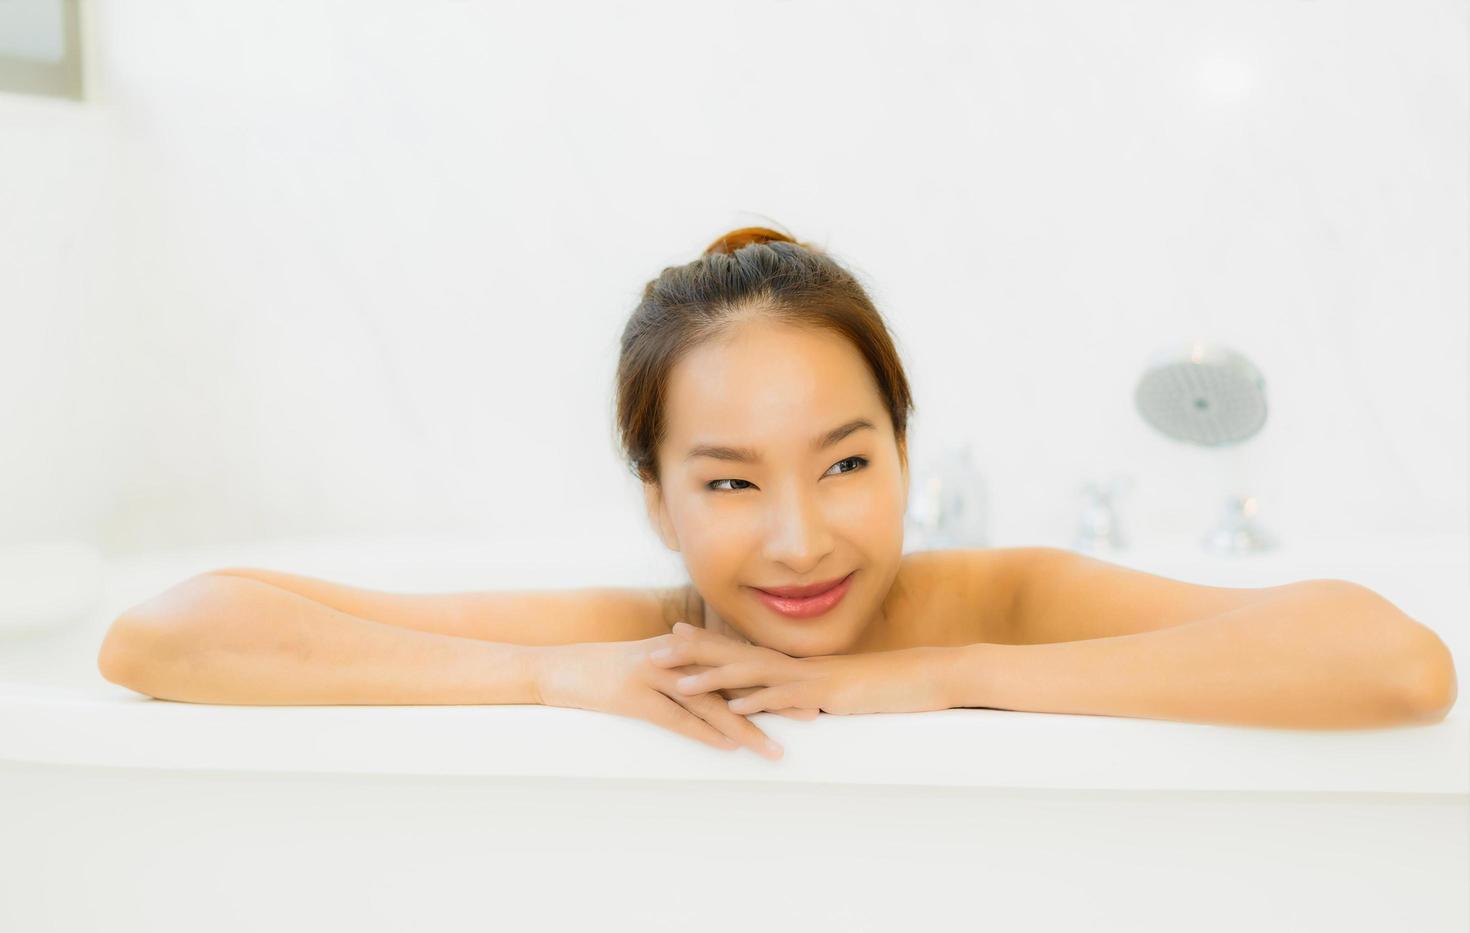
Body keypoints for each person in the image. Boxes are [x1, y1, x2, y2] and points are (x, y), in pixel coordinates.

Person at [97, 226, 1458, 757]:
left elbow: (1392, 663)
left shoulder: (1018, 598)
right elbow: (163, 633)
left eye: (848, 462)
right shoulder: (647, 632)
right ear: (656, 501)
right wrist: (544, 680)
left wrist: (939, 674)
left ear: (908, 456)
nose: (802, 537)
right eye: (730, 480)